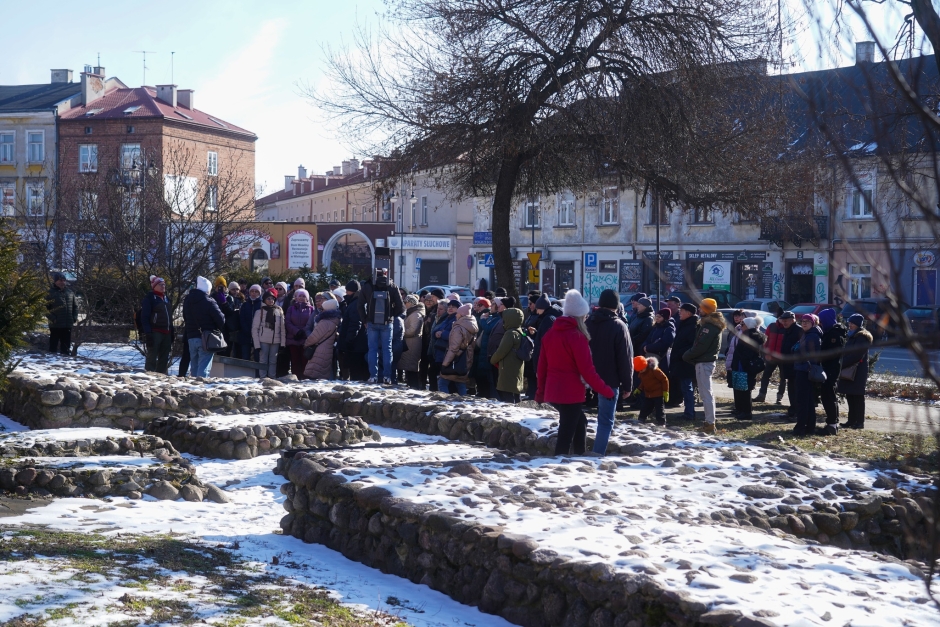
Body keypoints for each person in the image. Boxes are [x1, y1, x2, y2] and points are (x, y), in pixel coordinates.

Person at [535, 289, 615, 456]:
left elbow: (541, 367)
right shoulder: (576, 336)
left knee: (580, 423)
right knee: (567, 431)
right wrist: (606, 390)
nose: (587, 318)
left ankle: (579, 456)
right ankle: (560, 464)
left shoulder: (550, 334)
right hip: (570, 392)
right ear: (580, 316)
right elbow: (587, 370)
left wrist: (541, 392)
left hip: (554, 390)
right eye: (585, 315)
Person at [586, 289, 633, 454]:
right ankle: (597, 454)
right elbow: (625, 359)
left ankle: (577, 449)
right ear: (616, 305)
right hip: (609, 379)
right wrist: (627, 385)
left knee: (576, 416)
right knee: (605, 421)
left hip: (587, 377)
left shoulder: (588, 323)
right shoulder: (619, 326)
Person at [681, 298, 724, 433]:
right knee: (707, 394)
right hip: (704, 362)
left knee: (706, 395)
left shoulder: (709, 327)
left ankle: (710, 423)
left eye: (701, 308)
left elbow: (700, 346)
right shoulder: (709, 325)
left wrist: (686, 355)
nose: (699, 310)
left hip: (704, 363)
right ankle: (709, 422)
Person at [358, 267, 405, 384]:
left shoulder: (367, 286)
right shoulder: (392, 286)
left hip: (371, 322)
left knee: (372, 349)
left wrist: (365, 320)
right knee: (387, 349)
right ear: (386, 273)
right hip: (387, 322)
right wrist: (391, 315)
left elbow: (359, 305)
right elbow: (401, 306)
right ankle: (387, 377)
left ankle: (373, 376)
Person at [182, 276, 225, 378]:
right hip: (206, 337)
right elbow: (221, 319)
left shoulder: (187, 300)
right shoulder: (209, 301)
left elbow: (185, 317)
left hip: (191, 337)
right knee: (203, 368)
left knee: (194, 366)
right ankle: (200, 390)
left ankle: (192, 389)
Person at [838, 314, 872, 430]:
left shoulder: (862, 337)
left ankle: (859, 422)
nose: (850, 325)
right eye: (849, 322)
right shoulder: (852, 336)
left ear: (858, 325)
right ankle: (851, 420)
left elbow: (856, 355)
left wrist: (841, 364)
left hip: (858, 371)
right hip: (850, 370)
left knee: (857, 397)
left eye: (852, 323)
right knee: (850, 396)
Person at [792, 313, 823, 436]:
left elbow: (807, 354)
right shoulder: (808, 334)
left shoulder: (812, 336)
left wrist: (796, 350)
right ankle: (809, 427)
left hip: (805, 370)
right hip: (803, 368)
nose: (804, 323)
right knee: (808, 400)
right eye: (803, 321)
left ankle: (801, 427)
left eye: (807, 321)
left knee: (803, 401)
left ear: (813, 323)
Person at [730, 316, 765, 420]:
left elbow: (748, 353)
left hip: (746, 367)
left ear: (748, 325)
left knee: (745, 391)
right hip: (742, 366)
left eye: (743, 324)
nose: (741, 326)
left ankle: (746, 412)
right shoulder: (747, 334)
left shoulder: (752, 336)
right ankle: (741, 410)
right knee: (741, 389)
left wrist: (741, 359)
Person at [439, 303, 478, 395]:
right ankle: (463, 402)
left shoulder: (458, 328)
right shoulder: (472, 325)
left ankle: (444, 402)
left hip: (455, 359)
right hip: (466, 359)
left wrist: (445, 364)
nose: (456, 314)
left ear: (462, 314)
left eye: (458, 313)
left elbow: (453, 348)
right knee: (460, 382)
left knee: (442, 382)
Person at [818, 308, 846, 433]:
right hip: (828, 367)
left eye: (822, 320)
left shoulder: (834, 334)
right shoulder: (828, 332)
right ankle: (831, 422)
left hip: (831, 369)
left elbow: (833, 353)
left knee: (829, 396)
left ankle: (832, 424)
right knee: (827, 396)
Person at [669, 303, 699, 420]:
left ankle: (689, 413)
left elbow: (691, 345)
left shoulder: (693, 326)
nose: (679, 313)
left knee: (687, 388)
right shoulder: (684, 324)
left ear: (689, 313)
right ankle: (688, 412)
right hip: (680, 361)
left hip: (686, 362)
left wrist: (681, 354)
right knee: (685, 388)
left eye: (682, 311)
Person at [490, 306, 526, 403]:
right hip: (517, 366)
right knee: (516, 392)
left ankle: (512, 414)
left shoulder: (510, 333)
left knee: (508, 394)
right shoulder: (521, 331)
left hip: (508, 367)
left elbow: (502, 351)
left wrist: (492, 360)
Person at [140, 275, 173, 374]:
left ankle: (161, 377)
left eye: (164, 284)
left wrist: (172, 331)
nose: (163, 286)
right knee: (152, 356)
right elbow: (144, 317)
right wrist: (148, 333)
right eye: (160, 284)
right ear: (154, 286)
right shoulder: (150, 298)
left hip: (167, 332)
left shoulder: (167, 298)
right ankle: (149, 375)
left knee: (164, 356)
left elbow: (169, 316)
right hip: (155, 331)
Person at [303, 297, 341, 380]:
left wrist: (306, 344)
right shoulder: (335, 320)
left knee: (316, 374)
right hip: (328, 350)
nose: (321, 310)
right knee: (324, 373)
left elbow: (314, 337)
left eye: (323, 308)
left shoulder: (325, 322)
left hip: (320, 351)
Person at [252, 288, 286, 379]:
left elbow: (282, 328)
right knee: (263, 360)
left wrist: (283, 343)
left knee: (273, 361)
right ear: (264, 300)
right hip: (263, 340)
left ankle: (272, 378)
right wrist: (257, 345)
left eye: (272, 298)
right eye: (268, 298)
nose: (271, 300)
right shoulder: (260, 312)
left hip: (276, 340)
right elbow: (255, 329)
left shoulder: (279, 311)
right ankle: (263, 378)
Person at [531, 294, 562, 390]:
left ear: (542, 308)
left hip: (546, 361)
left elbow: (544, 342)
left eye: (538, 308)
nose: (537, 311)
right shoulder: (550, 317)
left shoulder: (548, 319)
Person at [754, 313, 787, 404]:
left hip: (782, 358)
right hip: (771, 357)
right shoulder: (772, 326)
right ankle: (762, 395)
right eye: (781, 318)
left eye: (784, 319)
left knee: (783, 378)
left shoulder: (787, 328)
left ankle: (779, 398)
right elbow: (765, 340)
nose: (783, 320)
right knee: (765, 376)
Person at [778, 311, 805, 418]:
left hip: (796, 365)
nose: (784, 323)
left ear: (792, 320)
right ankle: (792, 410)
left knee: (796, 389)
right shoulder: (787, 330)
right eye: (783, 320)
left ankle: (796, 411)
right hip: (787, 364)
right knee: (791, 388)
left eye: (786, 320)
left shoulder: (799, 330)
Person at [285, 288, 315, 377]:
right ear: (296, 298)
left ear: (307, 298)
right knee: (294, 360)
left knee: (305, 360)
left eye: (304, 296)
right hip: (293, 338)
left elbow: (312, 322)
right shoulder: (291, 308)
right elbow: (287, 322)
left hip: (305, 338)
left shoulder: (311, 309)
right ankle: (295, 377)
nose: (301, 298)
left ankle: (304, 378)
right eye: (300, 296)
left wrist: (303, 331)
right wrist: (296, 332)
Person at [47, 272, 78, 355]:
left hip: (67, 323)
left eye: (64, 280)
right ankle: (51, 362)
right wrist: (52, 318)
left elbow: (75, 307)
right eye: (60, 280)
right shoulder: (50, 293)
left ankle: (65, 362)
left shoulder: (70, 292)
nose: (62, 282)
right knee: (53, 346)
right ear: (55, 281)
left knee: (66, 347)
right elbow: (44, 308)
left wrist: (74, 317)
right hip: (56, 324)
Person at [432, 299, 460, 390]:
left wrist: (442, 333)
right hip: (440, 351)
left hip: (447, 352)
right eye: (449, 306)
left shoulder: (456, 319)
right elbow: (436, 330)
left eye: (453, 307)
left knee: (447, 380)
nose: (450, 308)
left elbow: (453, 335)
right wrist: (438, 333)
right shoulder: (447, 318)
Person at [421, 288, 446, 390]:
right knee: (424, 365)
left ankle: (434, 389)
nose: (431, 299)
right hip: (427, 341)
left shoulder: (440, 310)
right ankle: (422, 385)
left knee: (433, 369)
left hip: (435, 343)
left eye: (433, 297)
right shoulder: (429, 310)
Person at [400, 295, 426, 389]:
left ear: (410, 303)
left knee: (411, 366)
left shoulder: (415, 314)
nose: (404, 304)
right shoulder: (412, 313)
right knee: (409, 367)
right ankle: (411, 385)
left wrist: (401, 332)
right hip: (410, 342)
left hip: (412, 343)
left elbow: (413, 330)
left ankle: (414, 386)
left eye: (405, 303)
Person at [634, 356, 669, 423]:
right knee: (645, 407)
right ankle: (641, 418)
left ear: (645, 365)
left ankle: (662, 422)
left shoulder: (654, 370)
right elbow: (643, 382)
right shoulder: (642, 373)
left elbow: (665, 380)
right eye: (639, 371)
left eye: (641, 370)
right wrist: (639, 389)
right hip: (648, 394)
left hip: (658, 393)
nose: (640, 371)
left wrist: (665, 391)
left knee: (659, 409)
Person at [239, 285, 263, 361]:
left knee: (257, 358)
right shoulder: (245, 305)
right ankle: (244, 373)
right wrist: (247, 330)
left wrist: (256, 332)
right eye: (252, 291)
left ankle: (257, 373)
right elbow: (242, 319)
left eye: (256, 291)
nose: (254, 293)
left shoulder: (262, 305)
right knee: (245, 358)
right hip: (246, 335)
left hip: (258, 336)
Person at [224, 282, 243, 358]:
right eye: (233, 289)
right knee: (227, 350)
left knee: (238, 352)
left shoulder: (242, 299)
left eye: (237, 289)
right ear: (229, 290)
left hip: (239, 328)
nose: (235, 291)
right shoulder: (227, 299)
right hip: (229, 328)